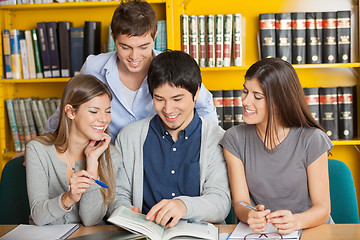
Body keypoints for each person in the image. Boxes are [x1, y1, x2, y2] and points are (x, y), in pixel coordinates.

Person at [45, 0, 217, 141]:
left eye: (143, 47)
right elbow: (66, 110)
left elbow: (205, 105)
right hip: (110, 159)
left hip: (158, 159)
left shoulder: (172, 69)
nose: (134, 56)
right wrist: (42, 145)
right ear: (113, 38)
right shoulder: (93, 67)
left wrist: (212, 149)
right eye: (125, 47)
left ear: (155, 36)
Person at [114, 50, 231, 227]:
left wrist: (183, 206)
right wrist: (124, 210)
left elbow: (220, 202)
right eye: (159, 99)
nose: (168, 109)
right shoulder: (129, 137)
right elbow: (118, 193)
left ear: (197, 92)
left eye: (177, 99)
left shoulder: (218, 138)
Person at [220, 58, 333, 234]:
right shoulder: (234, 139)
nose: (245, 101)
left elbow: (323, 208)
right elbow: (240, 202)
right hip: (262, 235)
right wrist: (250, 215)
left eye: (257, 96)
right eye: (245, 91)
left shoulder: (312, 139)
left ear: (279, 102)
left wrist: (296, 221)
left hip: (311, 231)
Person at [26, 74, 122, 226]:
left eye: (108, 111)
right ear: (71, 112)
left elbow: (91, 220)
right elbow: (38, 217)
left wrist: (92, 162)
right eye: (94, 111)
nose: (104, 119)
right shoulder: (38, 150)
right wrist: (69, 197)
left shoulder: (111, 155)